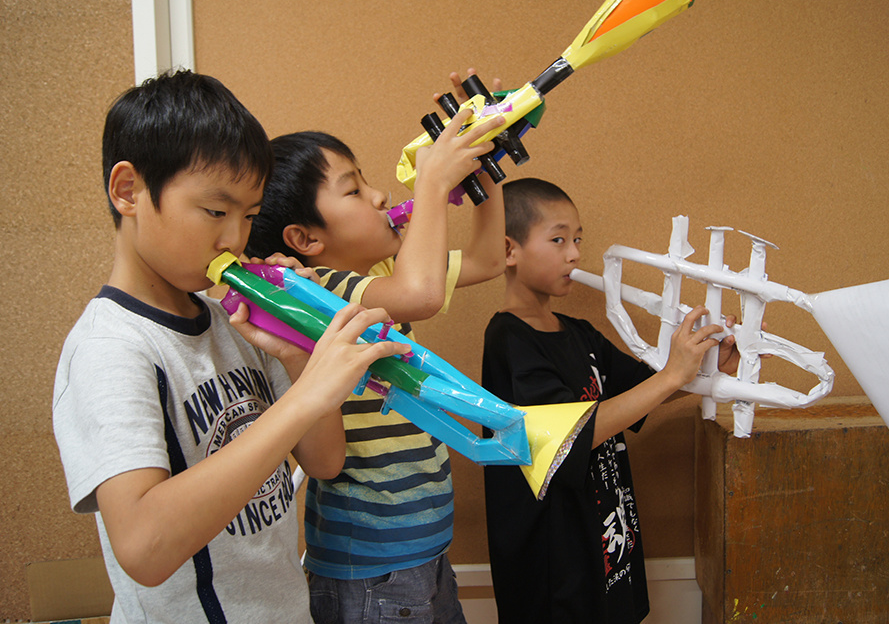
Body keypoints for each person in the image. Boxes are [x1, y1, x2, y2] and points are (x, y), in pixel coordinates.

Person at [52, 69, 410, 624]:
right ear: (128, 191)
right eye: (216, 212)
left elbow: (325, 461)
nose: (235, 239)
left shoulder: (229, 320)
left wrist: (299, 353)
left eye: (249, 216)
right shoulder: (109, 348)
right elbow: (144, 547)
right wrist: (304, 398)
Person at [244, 71, 506, 624]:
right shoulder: (319, 294)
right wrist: (432, 183)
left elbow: (487, 258)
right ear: (306, 240)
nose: (380, 195)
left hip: (422, 550)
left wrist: (485, 167)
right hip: (370, 569)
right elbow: (421, 294)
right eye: (353, 189)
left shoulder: (385, 274)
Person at [481, 177, 740, 624]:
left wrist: (708, 366)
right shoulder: (508, 338)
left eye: (578, 239)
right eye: (558, 239)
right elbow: (569, 436)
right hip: (553, 569)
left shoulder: (580, 333)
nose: (574, 254)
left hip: (604, 545)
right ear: (509, 250)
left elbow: (644, 391)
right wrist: (672, 375)